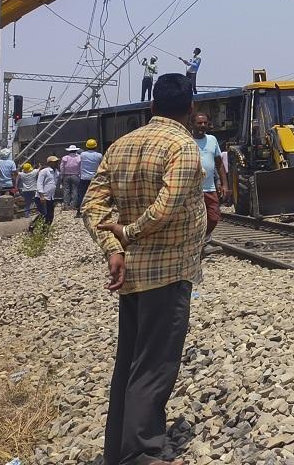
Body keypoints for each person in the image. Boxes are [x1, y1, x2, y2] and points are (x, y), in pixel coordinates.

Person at [81, 73, 205, 465]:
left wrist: (112, 247)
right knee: (155, 363)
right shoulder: (182, 147)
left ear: (152, 107)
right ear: (190, 109)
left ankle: (118, 447)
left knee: (131, 360)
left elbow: (92, 205)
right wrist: (129, 234)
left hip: (132, 274)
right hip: (167, 271)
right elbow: (167, 208)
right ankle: (141, 451)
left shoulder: (119, 146)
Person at [192, 114, 229, 243]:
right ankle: (197, 242)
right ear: (193, 124)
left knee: (213, 217)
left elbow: (219, 164)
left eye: (205, 123)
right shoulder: (187, 140)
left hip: (209, 188)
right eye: (199, 123)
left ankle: (204, 238)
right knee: (195, 219)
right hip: (193, 190)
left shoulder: (212, 140)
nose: (202, 126)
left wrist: (224, 184)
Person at [77, 138, 103, 215]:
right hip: (94, 178)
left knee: (82, 194)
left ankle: (79, 211)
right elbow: (102, 164)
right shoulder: (99, 155)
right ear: (96, 146)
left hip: (84, 178)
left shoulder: (82, 154)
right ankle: (94, 210)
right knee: (95, 195)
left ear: (86, 146)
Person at [36, 157, 58, 227]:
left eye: (57, 162)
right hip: (42, 197)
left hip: (50, 197)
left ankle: (46, 230)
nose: (56, 163)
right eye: (54, 162)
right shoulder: (44, 171)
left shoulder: (56, 172)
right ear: (49, 163)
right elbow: (39, 183)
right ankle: (32, 226)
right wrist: (41, 196)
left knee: (50, 215)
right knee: (44, 214)